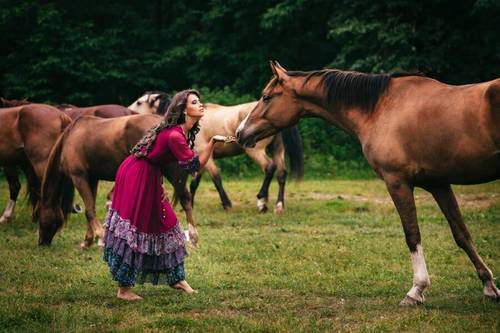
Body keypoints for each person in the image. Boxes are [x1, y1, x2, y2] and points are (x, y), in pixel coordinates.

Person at [103, 89, 232, 301]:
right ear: (184, 110)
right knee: (137, 227)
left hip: (149, 173)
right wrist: (212, 143)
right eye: (195, 102)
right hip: (137, 174)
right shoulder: (174, 135)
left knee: (167, 223)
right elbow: (193, 165)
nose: (201, 105)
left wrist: (158, 183)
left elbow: (162, 159)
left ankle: (176, 278)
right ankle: (124, 289)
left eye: (200, 102)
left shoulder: (179, 131)